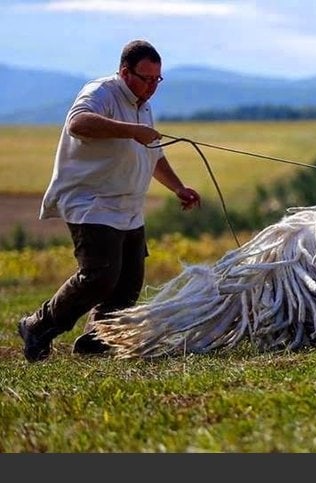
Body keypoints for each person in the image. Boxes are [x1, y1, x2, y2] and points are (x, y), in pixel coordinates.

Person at [17, 39, 201, 362]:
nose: (151, 86)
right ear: (124, 71)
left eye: (157, 80)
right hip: (91, 202)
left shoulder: (144, 106)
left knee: (129, 283)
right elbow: (78, 123)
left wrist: (178, 188)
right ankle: (37, 326)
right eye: (146, 78)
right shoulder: (101, 93)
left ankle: (97, 340)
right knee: (100, 275)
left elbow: (153, 156)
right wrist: (131, 130)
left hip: (129, 207)